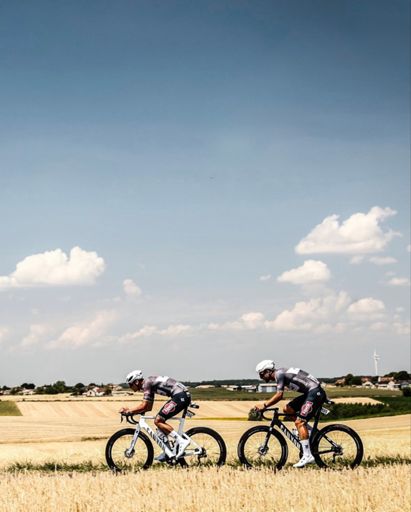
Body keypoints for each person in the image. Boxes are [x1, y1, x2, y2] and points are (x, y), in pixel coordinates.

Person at [254, 360, 326, 468]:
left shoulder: (279, 374)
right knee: (287, 409)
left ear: (268, 371)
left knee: (299, 422)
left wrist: (264, 405)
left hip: (314, 392)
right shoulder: (281, 373)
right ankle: (308, 431)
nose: (261, 377)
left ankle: (307, 455)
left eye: (261, 374)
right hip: (312, 392)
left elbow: (279, 395)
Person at [120, 370, 191, 462]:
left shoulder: (147, 384)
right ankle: (167, 453)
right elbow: (148, 407)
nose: (130, 387)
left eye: (130, 384)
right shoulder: (149, 384)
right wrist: (133, 412)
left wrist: (129, 411)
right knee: (160, 425)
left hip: (180, 396)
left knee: (158, 420)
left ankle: (182, 441)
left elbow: (144, 406)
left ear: (136, 382)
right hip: (181, 395)